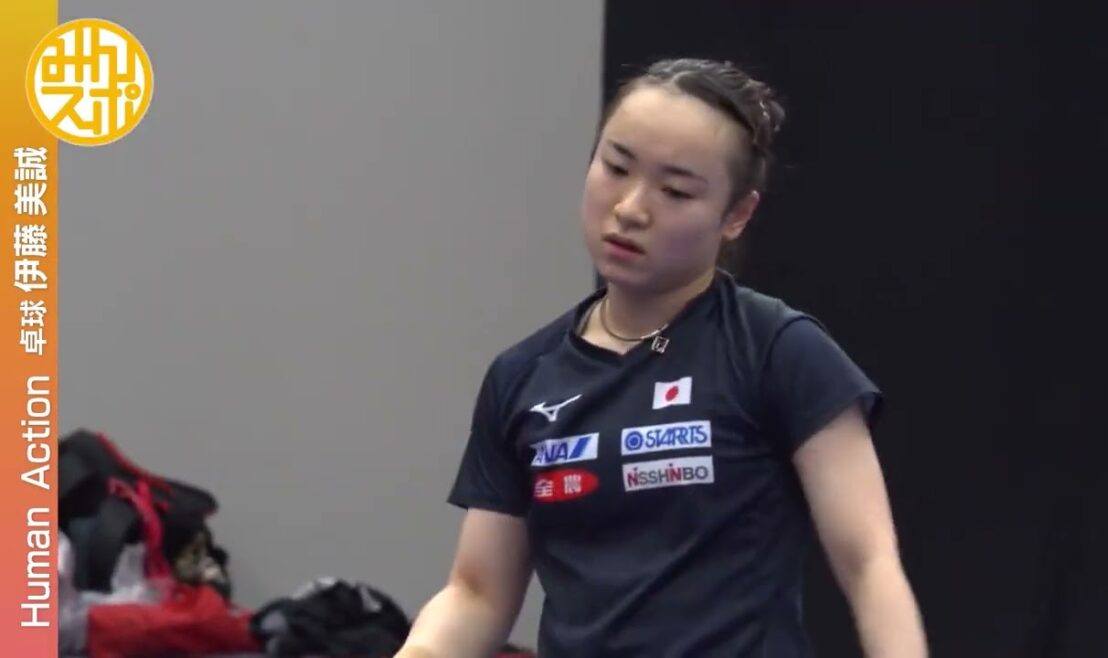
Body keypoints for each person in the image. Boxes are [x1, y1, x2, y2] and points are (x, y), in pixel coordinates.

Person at [395, 58, 928, 658]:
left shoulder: (778, 349)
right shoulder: (522, 376)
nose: (630, 208)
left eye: (675, 191)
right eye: (615, 166)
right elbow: (476, 594)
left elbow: (869, 564)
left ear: (736, 215)